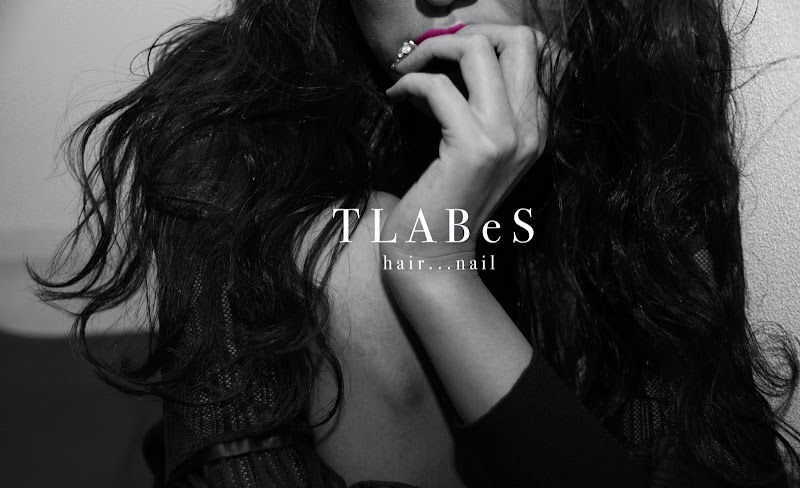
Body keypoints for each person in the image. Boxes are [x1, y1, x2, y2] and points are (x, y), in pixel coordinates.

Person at [29, 0, 800, 486]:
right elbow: (240, 460)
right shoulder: (233, 111)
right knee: (352, 251)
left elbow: (697, 446)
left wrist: (437, 273)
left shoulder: (643, 77)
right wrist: (419, 250)